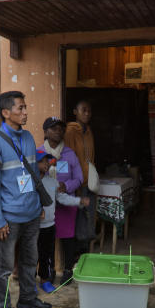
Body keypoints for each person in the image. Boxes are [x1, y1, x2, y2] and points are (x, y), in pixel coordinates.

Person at [0, 91, 53, 308]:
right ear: (5, 112)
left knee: (30, 260)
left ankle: (27, 298)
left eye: (25, 107)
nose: (25, 112)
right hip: (9, 218)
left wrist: (38, 204)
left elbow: (33, 176)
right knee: (3, 268)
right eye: (20, 108)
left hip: (31, 214)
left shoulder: (29, 137)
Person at [36, 150, 89, 293]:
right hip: (32, 227)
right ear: (33, 163)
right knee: (31, 257)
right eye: (43, 161)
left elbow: (62, 198)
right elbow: (25, 200)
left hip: (49, 225)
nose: (47, 164)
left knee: (46, 255)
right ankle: (28, 284)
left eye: (48, 161)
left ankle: (44, 281)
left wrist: (79, 201)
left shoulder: (52, 182)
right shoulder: (28, 180)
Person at [39, 116, 83, 286]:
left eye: (60, 128)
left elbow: (79, 178)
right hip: (46, 203)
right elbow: (33, 175)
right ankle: (47, 272)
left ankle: (67, 270)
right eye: (54, 128)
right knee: (46, 239)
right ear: (46, 132)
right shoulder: (39, 153)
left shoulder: (70, 154)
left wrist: (67, 186)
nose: (58, 131)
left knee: (67, 238)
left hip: (66, 202)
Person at [64, 100, 97, 255]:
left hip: (89, 182)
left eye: (89, 111)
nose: (87, 113)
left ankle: (85, 248)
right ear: (75, 112)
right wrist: (72, 184)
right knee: (78, 217)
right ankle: (77, 253)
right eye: (83, 110)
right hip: (77, 182)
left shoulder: (89, 131)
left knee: (89, 215)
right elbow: (68, 159)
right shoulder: (70, 132)